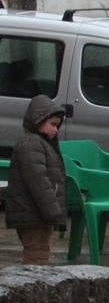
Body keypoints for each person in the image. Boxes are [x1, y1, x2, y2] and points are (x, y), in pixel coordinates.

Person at [4, 95, 66, 265]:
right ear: (38, 120)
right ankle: (35, 290)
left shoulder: (40, 143)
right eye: (52, 124)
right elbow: (39, 182)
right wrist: (54, 212)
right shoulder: (31, 144)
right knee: (37, 258)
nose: (56, 129)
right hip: (33, 215)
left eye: (57, 125)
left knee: (40, 254)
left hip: (38, 214)